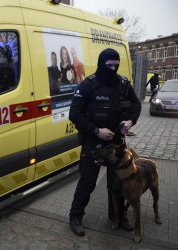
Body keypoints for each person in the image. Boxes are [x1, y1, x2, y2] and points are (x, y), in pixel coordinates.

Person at [68, 48, 142, 236]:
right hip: (94, 142)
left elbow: (137, 105)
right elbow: (74, 114)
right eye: (109, 65)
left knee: (117, 183)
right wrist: (96, 130)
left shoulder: (123, 84)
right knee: (88, 181)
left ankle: (117, 216)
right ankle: (75, 217)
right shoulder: (87, 86)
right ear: (102, 64)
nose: (113, 69)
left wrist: (131, 121)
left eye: (116, 65)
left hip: (117, 145)